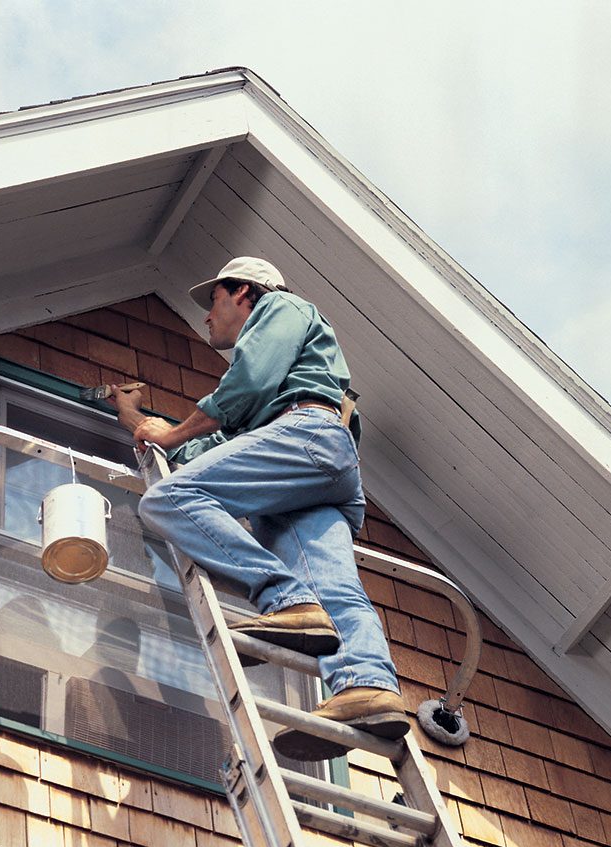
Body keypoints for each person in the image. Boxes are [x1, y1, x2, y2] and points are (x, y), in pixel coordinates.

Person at [105, 256, 410, 761]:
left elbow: (249, 379)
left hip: (308, 438)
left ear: (244, 292)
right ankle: (367, 688)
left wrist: (178, 430)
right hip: (307, 470)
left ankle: (286, 601)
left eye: (214, 300)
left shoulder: (284, 308)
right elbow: (205, 449)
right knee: (334, 589)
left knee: (169, 500)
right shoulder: (269, 400)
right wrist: (137, 418)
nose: (206, 315)